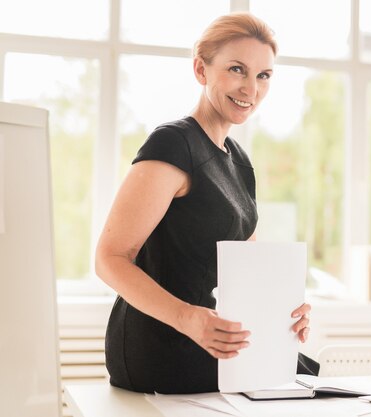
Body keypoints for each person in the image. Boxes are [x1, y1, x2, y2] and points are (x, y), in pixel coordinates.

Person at [95, 12, 316, 394]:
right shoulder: (173, 144)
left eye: (263, 75)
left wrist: (285, 312)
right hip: (164, 347)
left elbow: (249, 271)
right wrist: (189, 319)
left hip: (221, 342)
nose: (251, 88)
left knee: (317, 381)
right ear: (201, 70)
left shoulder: (241, 162)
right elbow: (109, 259)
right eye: (236, 70)